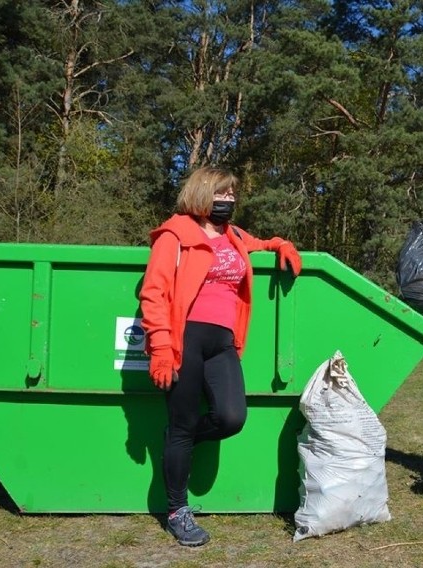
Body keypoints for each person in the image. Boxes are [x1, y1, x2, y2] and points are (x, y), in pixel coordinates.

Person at [139, 166, 302, 546]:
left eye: (231, 194)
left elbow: (261, 243)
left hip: (223, 342)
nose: (228, 200)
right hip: (185, 340)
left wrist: (281, 244)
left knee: (231, 417)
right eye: (220, 193)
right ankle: (178, 511)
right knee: (182, 426)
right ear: (201, 193)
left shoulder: (233, 235)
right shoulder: (176, 234)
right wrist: (161, 347)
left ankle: (176, 441)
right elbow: (153, 291)